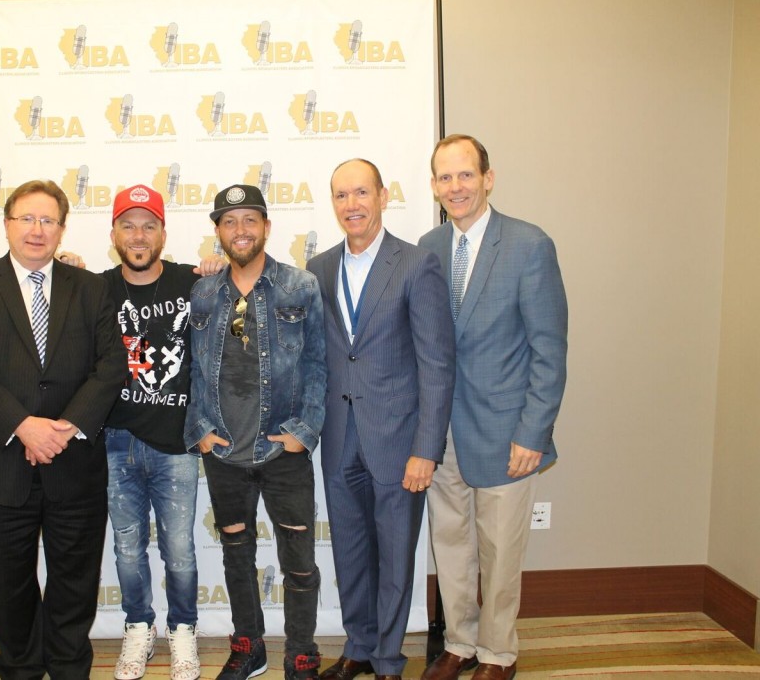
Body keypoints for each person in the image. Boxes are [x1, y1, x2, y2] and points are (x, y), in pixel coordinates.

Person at [0, 179, 127, 680]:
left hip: (75, 465)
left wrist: (64, 427)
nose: (37, 230)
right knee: (9, 585)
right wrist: (23, 426)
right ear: (6, 224)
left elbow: (111, 366)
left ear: (63, 228)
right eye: (27, 218)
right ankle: (21, 668)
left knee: (74, 581)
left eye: (48, 220)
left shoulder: (91, 289)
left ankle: (69, 668)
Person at [417, 135, 567, 680]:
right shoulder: (428, 247)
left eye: (465, 175)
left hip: (508, 434)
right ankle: (458, 642)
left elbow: (550, 350)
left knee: (501, 552)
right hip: (441, 432)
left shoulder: (529, 245)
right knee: (450, 545)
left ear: (488, 178)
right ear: (433, 186)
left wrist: (534, 431)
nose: (455, 187)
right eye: (444, 178)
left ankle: (498, 651)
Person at [306, 159, 455, 680]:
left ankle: (389, 660)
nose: (352, 204)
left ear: (384, 196)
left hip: (399, 443)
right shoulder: (319, 269)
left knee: (395, 559)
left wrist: (426, 449)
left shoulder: (415, 265)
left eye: (361, 193)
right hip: (339, 438)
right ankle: (360, 648)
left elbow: (437, 364)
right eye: (342, 195)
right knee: (349, 552)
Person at [184, 184, 327, 680]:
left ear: (266, 227)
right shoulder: (203, 290)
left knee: (299, 560)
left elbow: (318, 364)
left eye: (250, 220)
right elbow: (193, 370)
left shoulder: (300, 286)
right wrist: (199, 429)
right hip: (222, 452)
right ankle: (249, 647)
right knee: (236, 555)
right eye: (229, 222)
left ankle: (302, 651)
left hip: (283, 449)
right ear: (218, 231)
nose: (240, 230)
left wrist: (302, 432)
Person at [101, 185, 201, 680]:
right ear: (114, 233)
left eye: (148, 225)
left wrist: (218, 263)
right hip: (116, 441)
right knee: (126, 547)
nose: (138, 236)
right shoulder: (94, 287)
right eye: (128, 225)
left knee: (179, 548)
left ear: (163, 232)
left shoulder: (192, 281)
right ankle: (138, 626)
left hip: (177, 444)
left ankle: (183, 630)